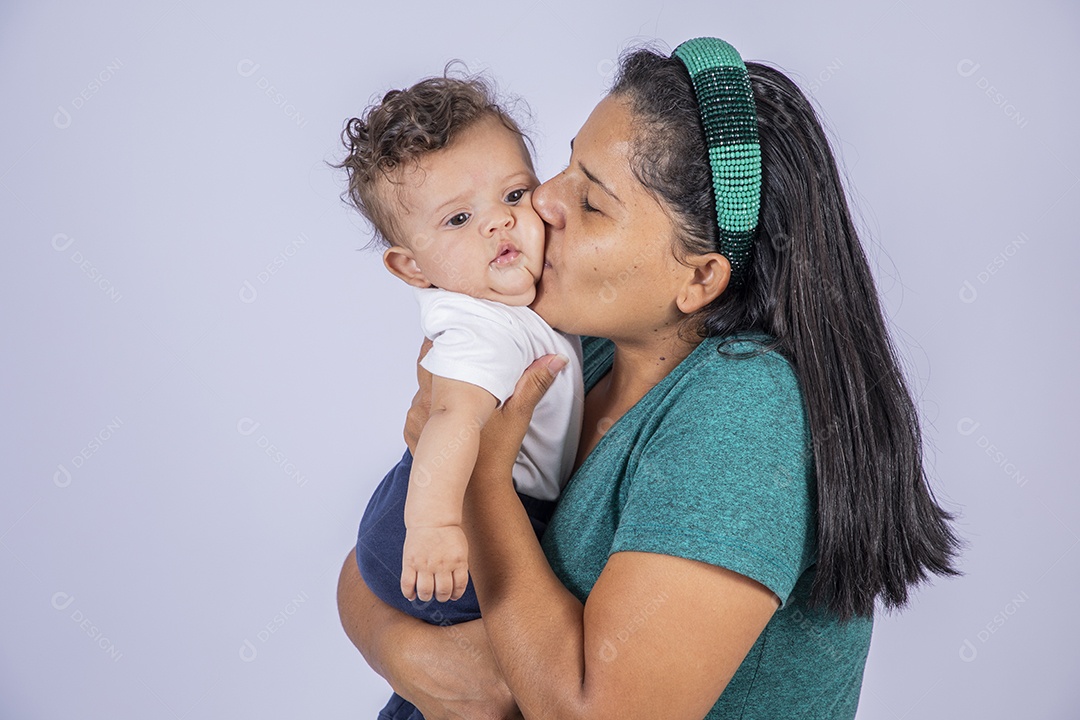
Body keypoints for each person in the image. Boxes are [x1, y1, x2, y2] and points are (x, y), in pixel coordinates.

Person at [337, 37, 961, 719]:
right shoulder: (583, 353)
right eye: (564, 166)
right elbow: (371, 567)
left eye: (591, 201)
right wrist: (411, 654)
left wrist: (482, 484)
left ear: (699, 276)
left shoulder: (744, 413)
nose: (541, 201)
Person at [335, 76, 584, 630]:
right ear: (412, 267)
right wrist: (435, 527)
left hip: (446, 499)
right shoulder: (481, 326)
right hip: (444, 515)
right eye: (458, 219)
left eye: (514, 195)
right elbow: (451, 419)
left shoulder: (515, 304)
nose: (498, 220)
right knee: (517, 639)